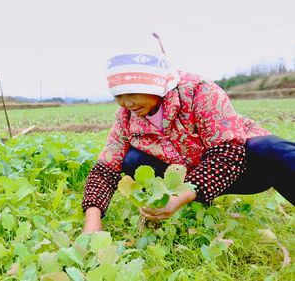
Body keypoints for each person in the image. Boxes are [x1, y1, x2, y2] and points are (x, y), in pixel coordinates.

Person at [82, 33, 294, 233]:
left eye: (132, 93)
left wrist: (181, 196)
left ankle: (185, 199)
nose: (126, 103)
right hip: (189, 176)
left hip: (241, 171)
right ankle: (176, 208)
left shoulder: (199, 92)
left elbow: (228, 153)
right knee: (133, 160)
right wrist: (92, 225)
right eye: (118, 95)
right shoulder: (127, 117)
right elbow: (105, 170)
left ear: (156, 83)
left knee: (268, 148)